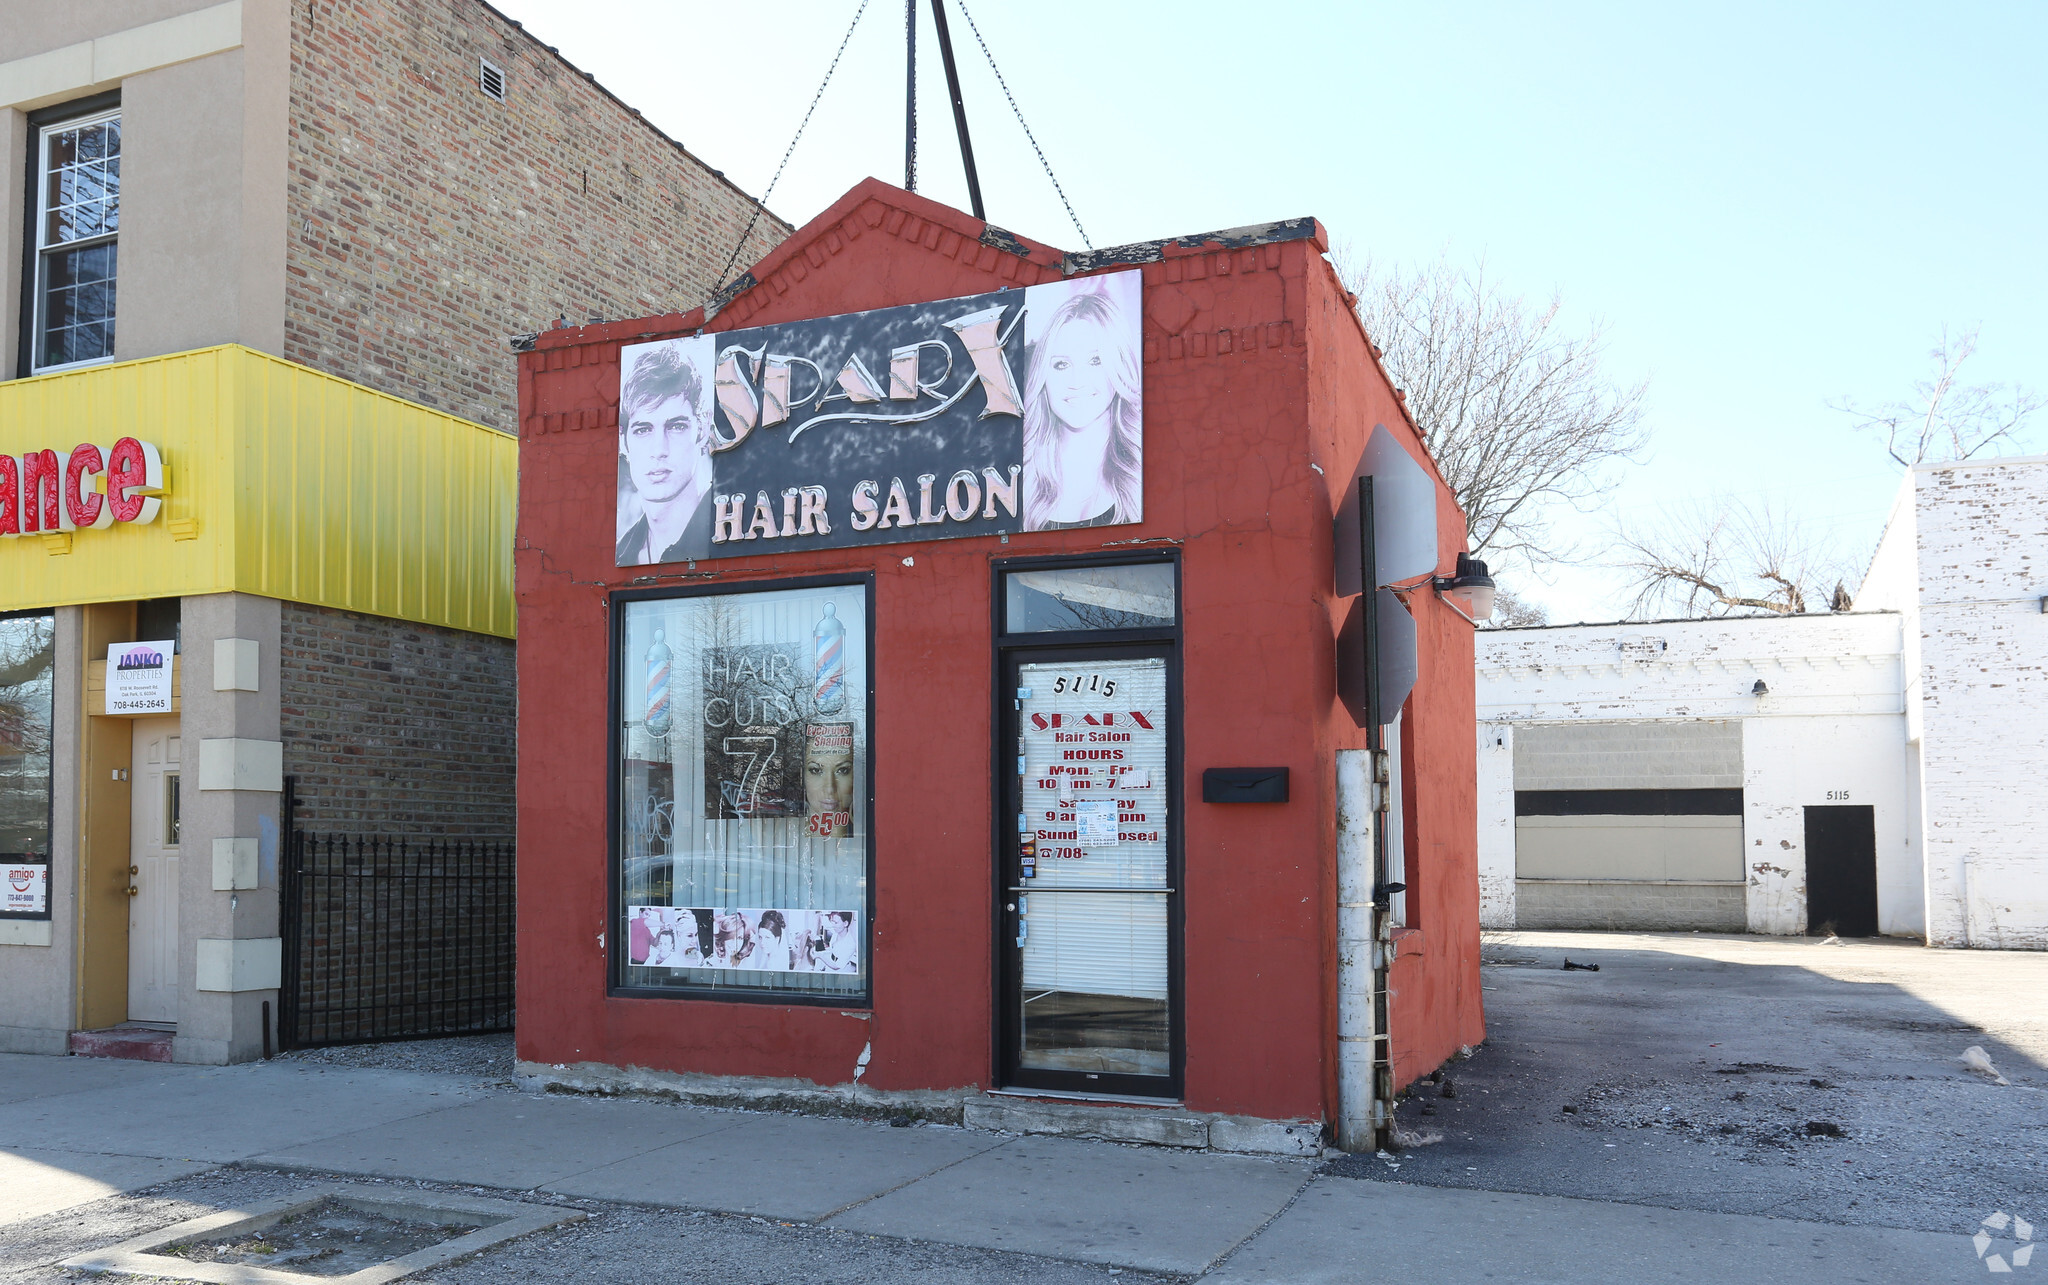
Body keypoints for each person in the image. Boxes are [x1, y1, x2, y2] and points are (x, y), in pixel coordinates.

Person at [1021, 286, 1143, 531]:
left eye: (1095, 361)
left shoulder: (1141, 475)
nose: (1077, 381)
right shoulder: (1020, 480)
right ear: (1042, 376)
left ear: (1118, 367)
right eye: (1061, 364)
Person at [617, 341, 716, 565]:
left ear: (702, 430)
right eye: (643, 430)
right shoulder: (624, 552)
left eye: (676, 426)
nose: (659, 450)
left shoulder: (730, 532)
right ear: (623, 441)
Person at [803, 723, 855, 839]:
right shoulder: (783, 833)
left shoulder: (865, 833)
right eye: (816, 770)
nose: (830, 788)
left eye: (843, 770)